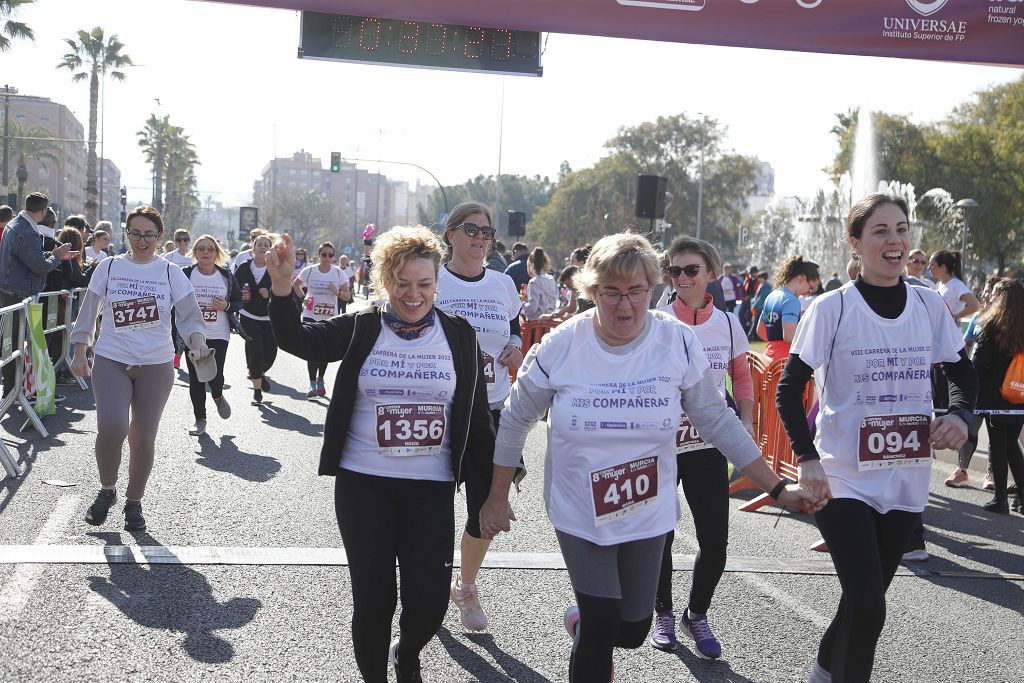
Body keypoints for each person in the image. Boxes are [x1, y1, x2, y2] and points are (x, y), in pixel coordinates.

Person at [481, 232, 818, 682]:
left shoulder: (675, 341)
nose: (624, 306)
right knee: (602, 622)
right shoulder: (562, 345)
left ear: (653, 288)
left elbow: (716, 419)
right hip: (579, 506)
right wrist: (496, 496)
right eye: (610, 294)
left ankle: (584, 622)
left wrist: (777, 486)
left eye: (636, 292)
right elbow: (516, 417)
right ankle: (590, 626)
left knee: (634, 628)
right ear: (590, 291)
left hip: (646, 507)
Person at [267, 226, 495, 683]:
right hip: (363, 482)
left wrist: (491, 496)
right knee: (374, 601)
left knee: (429, 601)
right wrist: (280, 287)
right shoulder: (362, 326)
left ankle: (407, 652)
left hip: (430, 488)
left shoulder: (459, 336)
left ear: (437, 283)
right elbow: (298, 340)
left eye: (424, 284)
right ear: (384, 282)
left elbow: (478, 419)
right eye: (402, 283)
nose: (413, 295)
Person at [775, 193, 974, 683]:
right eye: (881, 231)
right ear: (857, 243)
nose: (895, 240)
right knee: (870, 607)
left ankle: (822, 672)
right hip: (842, 475)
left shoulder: (928, 304)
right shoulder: (832, 307)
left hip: (905, 476)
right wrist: (807, 459)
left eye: (901, 229)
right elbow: (788, 388)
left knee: (864, 601)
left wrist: (961, 416)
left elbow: (961, 373)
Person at [70, 205, 212, 532]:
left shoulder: (171, 273)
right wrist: (81, 349)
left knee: (142, 436)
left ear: (160, 238)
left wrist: (197, 342)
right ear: (127, 234)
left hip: (156, 366)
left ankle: (134, 503)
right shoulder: (109, 267)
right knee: (112, 428)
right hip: (112, 360)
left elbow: (191, 319)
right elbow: (89, 311)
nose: (142, 240)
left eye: (149, 234)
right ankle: (107, 490)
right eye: (136, 233)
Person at [649, 236, 757, 658]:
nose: (682, 278)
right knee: (661, 534)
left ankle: (698, 614)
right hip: (662, 443)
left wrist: (746, 422)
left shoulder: (728, 324)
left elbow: (741, 377)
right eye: (675, 271)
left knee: (715, 541)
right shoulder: (657, 319)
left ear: (711, 273)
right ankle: (664, 613)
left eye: (691, 270)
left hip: (708, 442)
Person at [434, 202, 523, 633]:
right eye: (471, 229)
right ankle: (427, 586)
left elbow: (513, 327)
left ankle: (465, 585)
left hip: (491, 411)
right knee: (429, 508)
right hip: (443, 411)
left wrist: (515, 345)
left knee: (486, 508)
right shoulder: (434, 281)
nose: (479, 238)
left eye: (487, 233)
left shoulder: (503, 284)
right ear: (451, 234)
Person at [0, 192, 72, 396]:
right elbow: (40, 266)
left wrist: (55, 256)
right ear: (43, 211)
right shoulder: (24, 230)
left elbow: (32, 260)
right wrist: (57, 256)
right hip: (20, 294)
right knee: (20, 345)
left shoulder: (16, 225)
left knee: (16, 344)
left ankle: (21, 390)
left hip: (15, 292)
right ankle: (15, 390)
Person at [179, 234, 243, 436]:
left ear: (216, 253)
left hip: (219, 331)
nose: (205, 252)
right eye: (201, 249)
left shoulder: (226, 276)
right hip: (193, 332)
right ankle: (200, 419)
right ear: (195, 252)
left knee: (215, 373)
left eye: (210, 249)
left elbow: (239, 301)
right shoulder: (186, 273)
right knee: (197, 377)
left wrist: (227, 305)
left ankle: (217, 394)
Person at [970, 279, 1024, 513]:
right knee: (1012, 444)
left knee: (998, 445)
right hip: (1020, 395)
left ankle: (1000, 498)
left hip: (996, 397)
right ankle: (1022, 496)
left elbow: (979, 364)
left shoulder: (992, 326)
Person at [292, 241, 348, 399]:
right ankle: (311, 383)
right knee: (312, 348)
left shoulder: (338, 273)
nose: (327, 257)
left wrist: (336, 292)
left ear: (334, 257)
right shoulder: (309, 271)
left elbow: (347, 296)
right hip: (310, 314)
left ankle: (321, 379)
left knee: (325, 349)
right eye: (324, 254)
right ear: (319, 255)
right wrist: (303, 298)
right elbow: (296, 285)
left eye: (330, 255)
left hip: (330, 316)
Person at [235, 232, 278, 405]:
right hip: (248, 316)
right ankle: (257, 391)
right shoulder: (244, 268)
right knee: (256, 352)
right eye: (259, 244)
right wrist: (240, 298)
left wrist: (270, 294)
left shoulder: (275, 268)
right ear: (253, 248)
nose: (262, 247)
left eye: (266, 245)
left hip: (269, 318)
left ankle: (260, 373)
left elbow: (285, 291)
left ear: (270, 250)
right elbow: (233, 288)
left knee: (270, 354)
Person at [756, 256, 820, 361]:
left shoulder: (771, 296)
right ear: (802, 279)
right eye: (810, 287)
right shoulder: (791, 300)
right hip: (784, 363)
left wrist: (775, 344)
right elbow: (789, 337)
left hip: (768, 359)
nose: (809, 292)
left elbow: (760, 331)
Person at [930, 249, 979, 323]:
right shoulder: (939, 285)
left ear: (943, 267)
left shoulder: (957, 285)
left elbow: (974, 305)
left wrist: (955, 317)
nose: (929, 267)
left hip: (951, 333)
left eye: (932, 265)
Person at [523, 247, 558, 321]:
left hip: (535, 323)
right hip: (548, 322)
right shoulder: (551, 279)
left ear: (532, 264)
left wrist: (522, 305)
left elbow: (532, 308)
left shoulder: (534, 282)